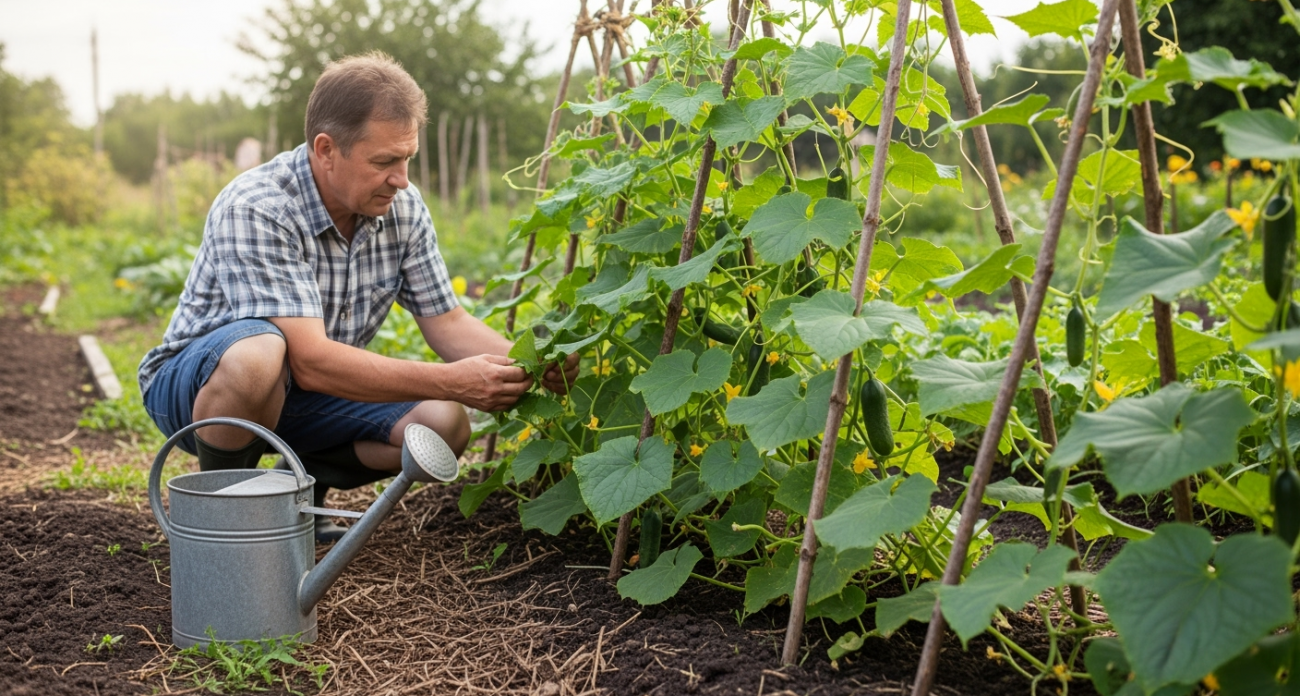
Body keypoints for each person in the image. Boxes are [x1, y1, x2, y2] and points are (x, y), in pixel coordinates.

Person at [138, 51, 577, 541]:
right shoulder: (259, 205)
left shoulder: (401, 208)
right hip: (202, 385)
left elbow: (447, 322)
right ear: (326, 150)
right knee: (259, 354)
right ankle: (221, 521)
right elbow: (310, 361)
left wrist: (531, 363)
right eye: (384, 161)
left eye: (407, 158)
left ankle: (301, 491)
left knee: (443, 425)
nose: (402, 178)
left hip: (307, 394)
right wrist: (452, 379)